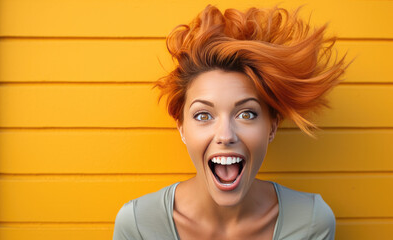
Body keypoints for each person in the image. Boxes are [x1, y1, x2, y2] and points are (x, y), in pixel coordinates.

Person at [113, 4, 346, 240]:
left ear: (272, 127)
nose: (226, 135)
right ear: (181, 128)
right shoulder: (138, 224)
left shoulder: (311, 221)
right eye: (203, 115)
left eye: (246, 114)